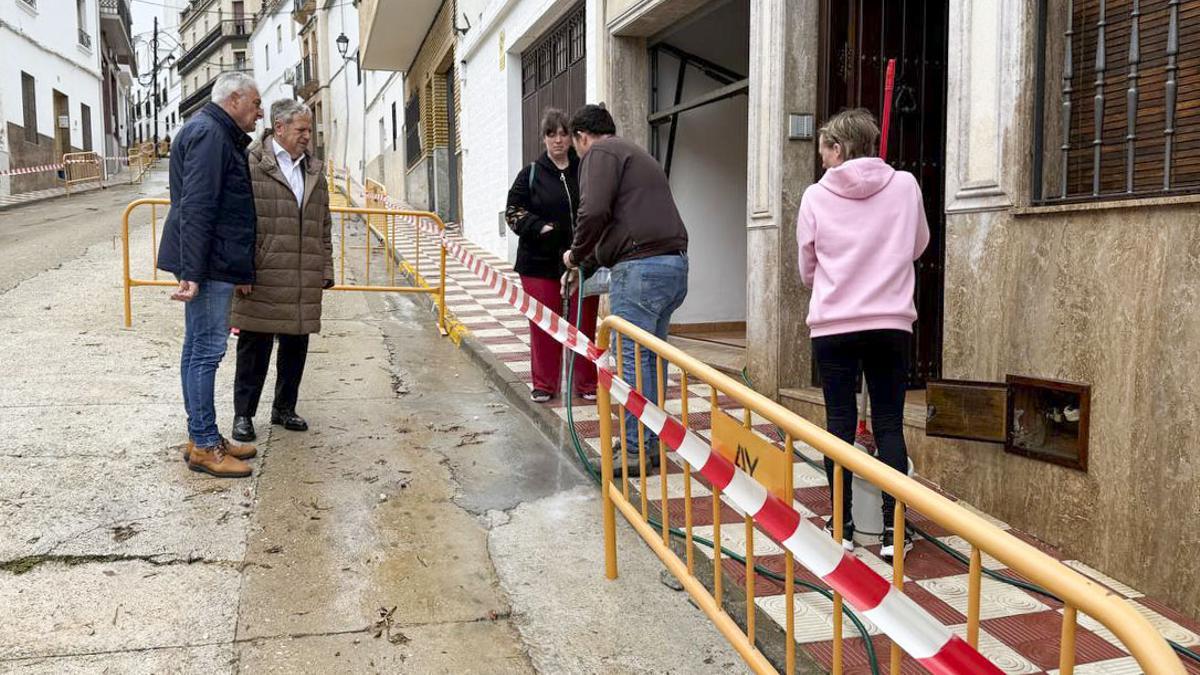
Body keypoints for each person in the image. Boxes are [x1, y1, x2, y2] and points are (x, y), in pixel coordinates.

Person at [796, 108, 929, 560]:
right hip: (890, 321)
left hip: (834, 323)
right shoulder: (907, 186)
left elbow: (806, 264)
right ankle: (894, 529)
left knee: (839, 425)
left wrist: (835, 280)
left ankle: (843, 525)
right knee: (890, 424)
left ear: (838, 148)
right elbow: (917, 245)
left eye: (824, 151)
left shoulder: (815, 196)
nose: (822, 161)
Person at [563, 104, 689, 477]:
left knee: (633, 362)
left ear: (581, 138)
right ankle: (650, 445)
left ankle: (635, 451)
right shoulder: (634, 153)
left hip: (640, 270)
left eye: (576, 146)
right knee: (652, 360)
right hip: (672, 266)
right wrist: (587, 264)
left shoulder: (600, 152)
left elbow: (594, 212)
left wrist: (574, 254)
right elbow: (616, 227)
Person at [157, 72, 263, 478]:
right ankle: (204, 445)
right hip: (209, 263)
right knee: (206, 351)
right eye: (255, 104)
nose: (259, 113)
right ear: (234, 100)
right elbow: (198, 206)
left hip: (212, 261)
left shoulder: (210, 132)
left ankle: (203, 435)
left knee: (196, 349)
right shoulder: (211, 136)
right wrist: (193, 270)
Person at [229, 99, 333, 443]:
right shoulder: (251, 163)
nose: (308, 136)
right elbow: (237, 220)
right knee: (254, 349)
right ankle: (243, 414)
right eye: (301, 130)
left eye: (309, 130)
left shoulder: (314, 169)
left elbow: (324, 223)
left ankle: (284, 408)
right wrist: (240, 269)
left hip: (303, 273)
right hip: (262, 273)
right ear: (279, 127)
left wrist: (326, 267)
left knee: (295, 346)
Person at [505, 108, 598, 404]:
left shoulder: (584, 169)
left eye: (563, 133)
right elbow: (513, 211)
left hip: (582, 262)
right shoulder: (531, 172)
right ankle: (545, 384)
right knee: (545, 324)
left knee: (584, 323)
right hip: (539, 264)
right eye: (551, 134)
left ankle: (586, 383)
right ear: (544, 138)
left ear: (572, 138)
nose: (558, 140)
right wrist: (539, 227)